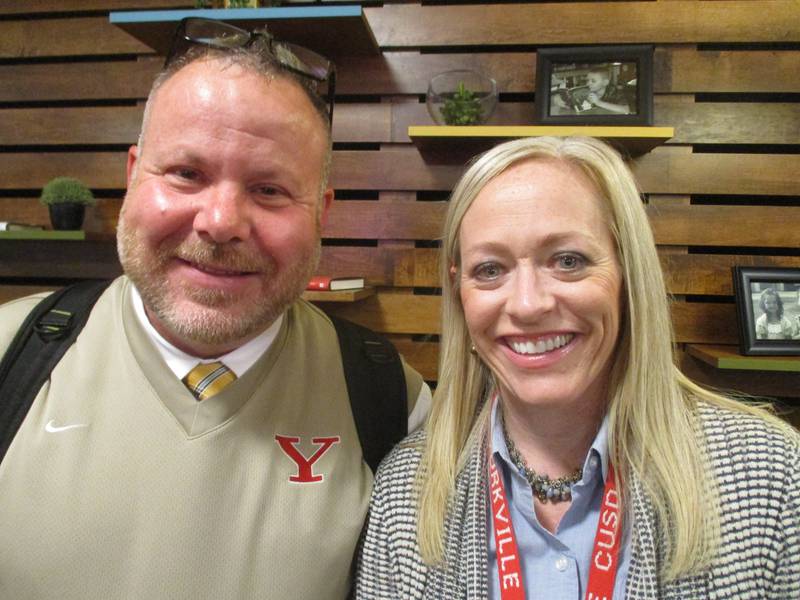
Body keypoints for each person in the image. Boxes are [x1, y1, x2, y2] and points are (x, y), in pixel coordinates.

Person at [0, 18, 429, 600]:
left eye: (270, 189)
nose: (221, 222)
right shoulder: (11, 357)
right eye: (186, 174)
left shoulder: (391, 405)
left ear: (321, 212)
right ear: (133, 177)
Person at [355, 136, 800, 598]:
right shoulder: (405, 492)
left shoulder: (771, 478)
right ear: (459, 291)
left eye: (568, 261)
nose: (527, 305)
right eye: (490, 269)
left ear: (629, 275)